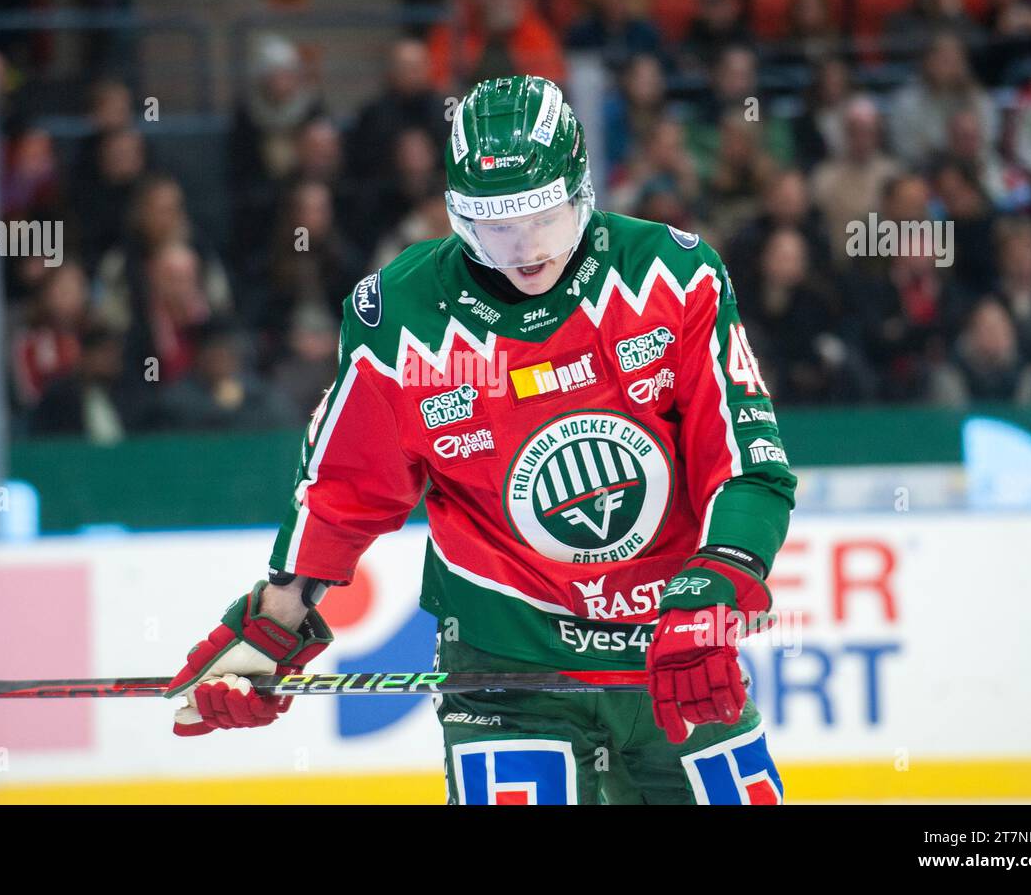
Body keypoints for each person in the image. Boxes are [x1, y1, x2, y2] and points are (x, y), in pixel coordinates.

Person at [166, 76, 797, 806]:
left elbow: (748, 465)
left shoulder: (674, 276)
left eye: (543, 219)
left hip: (671, 647)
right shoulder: (399, 316)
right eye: (497, 225)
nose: (527, 250)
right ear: (457, 214)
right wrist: (276, 621)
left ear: (582, 191)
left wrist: (710, 594)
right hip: (504, 665)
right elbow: (349, 487)